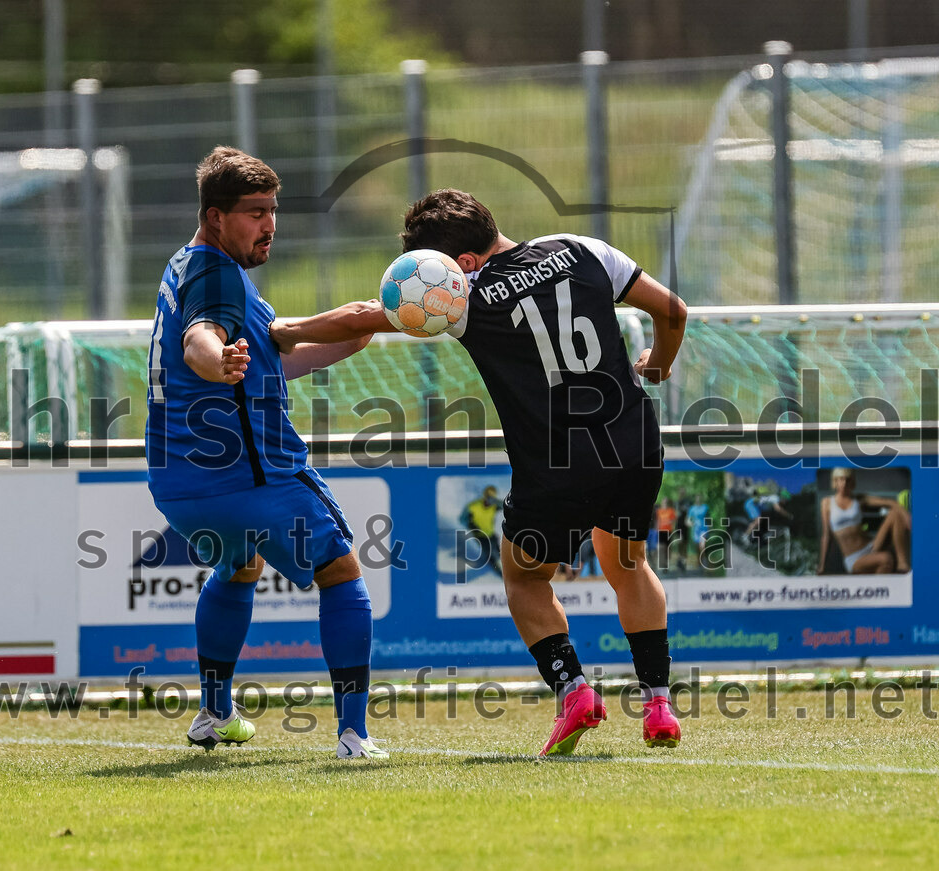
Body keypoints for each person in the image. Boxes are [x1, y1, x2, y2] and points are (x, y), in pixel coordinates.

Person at [270, 188, 688, 755]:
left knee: (525, 577)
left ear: (462, 264)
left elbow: (360, 317)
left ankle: (574, 690)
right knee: (628, 564)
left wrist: (283, 333)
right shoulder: (584, 248)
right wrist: (656, 366)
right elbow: (672, 311)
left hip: (557, 460)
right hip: (634, 441)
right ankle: (659, 703)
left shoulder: (466, 296)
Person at [145, 146, 388, 759]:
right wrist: (215, 359)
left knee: (238, 567)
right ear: (216, 215)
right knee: (339, 572)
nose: (269, 224)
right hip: (254, 476)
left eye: (273, 210)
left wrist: (345, 338)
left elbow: (272, 353)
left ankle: (214, 713)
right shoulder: (220, 278)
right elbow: (203, 337)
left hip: (180, 488)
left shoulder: (185, 264)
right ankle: (354, 735)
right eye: (255, 212)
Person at [818, 468, 911, 574]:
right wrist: (822, 565)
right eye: (840, 479)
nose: (844, 483)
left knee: (895, 513)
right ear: (835, 481)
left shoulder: (859, 499)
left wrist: (907, 517)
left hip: (871, 546)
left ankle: (902, 564)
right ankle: (877, 588)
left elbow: (891, 503)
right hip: (853, 558)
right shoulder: (827, 503)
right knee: (886, 559)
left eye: (847, 480)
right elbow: (826, 535)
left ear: (852, 482)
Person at [459, 485, 503, 575]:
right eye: (489, 498)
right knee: (489, 552)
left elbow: (505, 506)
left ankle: (503, 565)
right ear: (484, 496)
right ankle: (497, 570)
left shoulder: (494, 506)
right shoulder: (473, 506)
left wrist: (497, 501)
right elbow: (462, 519)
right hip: (479, 535)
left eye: (493, 498)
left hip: (490, 533)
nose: (490, 501)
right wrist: (470, 524)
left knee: (498, 550)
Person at [685, 495, 710, 572]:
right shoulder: (692, 509)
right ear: (695, 499)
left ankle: (703, 561)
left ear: (701, 499)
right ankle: (699, 562)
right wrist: (690, 523)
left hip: (704, 529)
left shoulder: (705, 507)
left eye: (700, 498)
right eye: (697, 498)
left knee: (702, 546)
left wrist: (710, 527)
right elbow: (688, 520)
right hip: (696, 530)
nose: (698, 499)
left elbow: (709, 518)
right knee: (697, 547)